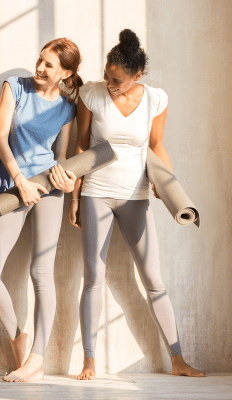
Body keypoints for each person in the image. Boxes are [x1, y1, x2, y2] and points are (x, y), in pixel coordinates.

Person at [70, 29, 206, 380]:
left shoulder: (156, 99)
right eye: (106, 75)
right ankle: (89, 361)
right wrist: (74, 196)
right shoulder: (90, 95)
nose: (109, 83)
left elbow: (158, 145)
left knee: (154, 281)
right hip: (95, 192)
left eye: (116, 80)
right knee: (93, 278)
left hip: (137, 195)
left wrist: (166, 184)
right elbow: (81, 148)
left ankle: (177, 360)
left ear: (136, 76)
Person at [0, 38, 83, 382]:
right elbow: (1, 137)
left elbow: (62, 155)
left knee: (42, 272)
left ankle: (37, 359)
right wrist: (20, 180)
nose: (40, 68)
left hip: (48, 188)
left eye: (49, 65)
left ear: (65, 73)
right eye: (40, 60)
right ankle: (18, 337)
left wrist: (66, 181)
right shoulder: (16, 87)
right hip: (11, 186)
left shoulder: (68, 107)